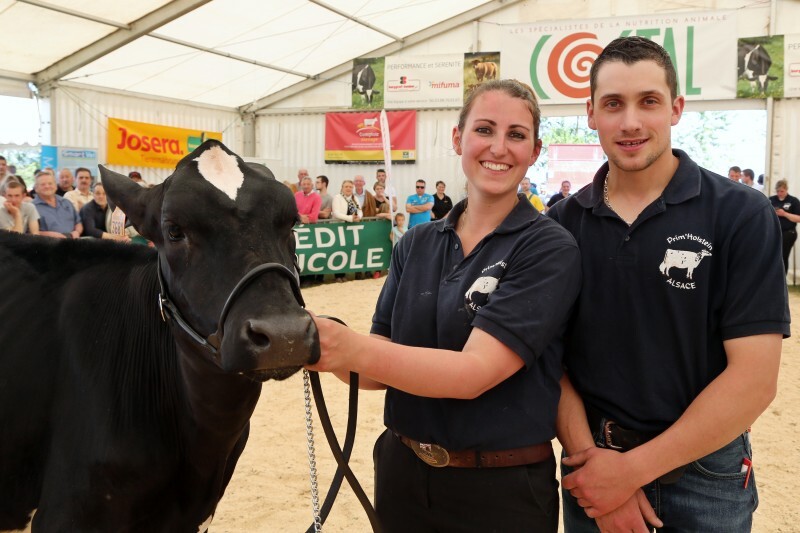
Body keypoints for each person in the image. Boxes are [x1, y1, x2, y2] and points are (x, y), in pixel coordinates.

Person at [307, 79, 581, 532]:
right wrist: (314, 343)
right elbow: (375, 371)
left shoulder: (549, 247)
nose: (499, 147)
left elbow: (472, 374)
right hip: (402, 472)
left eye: (516, 135)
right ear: (458, 138)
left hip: (500, 491)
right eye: (485, 129)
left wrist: (347, 347)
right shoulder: (415, 243)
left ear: (535, 151)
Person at [548, 36, 789, 532]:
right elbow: (548, 363)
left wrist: (628, 474)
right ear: (590, 112)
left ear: (676, 108)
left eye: (649, 102)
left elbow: (755, 378)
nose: (631, 121)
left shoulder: (740, 213)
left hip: (706, 473)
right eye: (613, 104)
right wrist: (597, 470)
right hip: (592, 463)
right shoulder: (558, 227)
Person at [33, 171, 82, 239]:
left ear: (56, 186)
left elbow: (78, 222)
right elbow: (30, 232)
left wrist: (77, 232)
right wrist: (50, 235)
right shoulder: (32, 207)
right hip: (47, 245)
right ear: (36, 188)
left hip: (72, 242)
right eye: (43, 184)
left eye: (50, 183)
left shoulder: (66, 202)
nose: (47, 186)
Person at [331, 179, 362, 283]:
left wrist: (358, 217)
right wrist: (350, 218)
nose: (348, 188)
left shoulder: (355, 198)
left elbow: (359, 210)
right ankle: (338, 275)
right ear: (342, 188)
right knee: (338, 250)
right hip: (339, 227)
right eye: (346, 186)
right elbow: (336, 213)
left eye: (350, 187)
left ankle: (345, 273)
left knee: (348, 250)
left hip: (351, 228)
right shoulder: (337, 198)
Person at [770, 179, 800, 273]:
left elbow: (798, 218)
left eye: (782, 191)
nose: (779, 193)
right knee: (770, 255)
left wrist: (785, 214)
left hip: (788, 232)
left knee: (782, 255)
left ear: (786, 189)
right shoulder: (771, 200)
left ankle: (782, 278)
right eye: (778, 191)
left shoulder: (793, 201)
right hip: (773, 231)